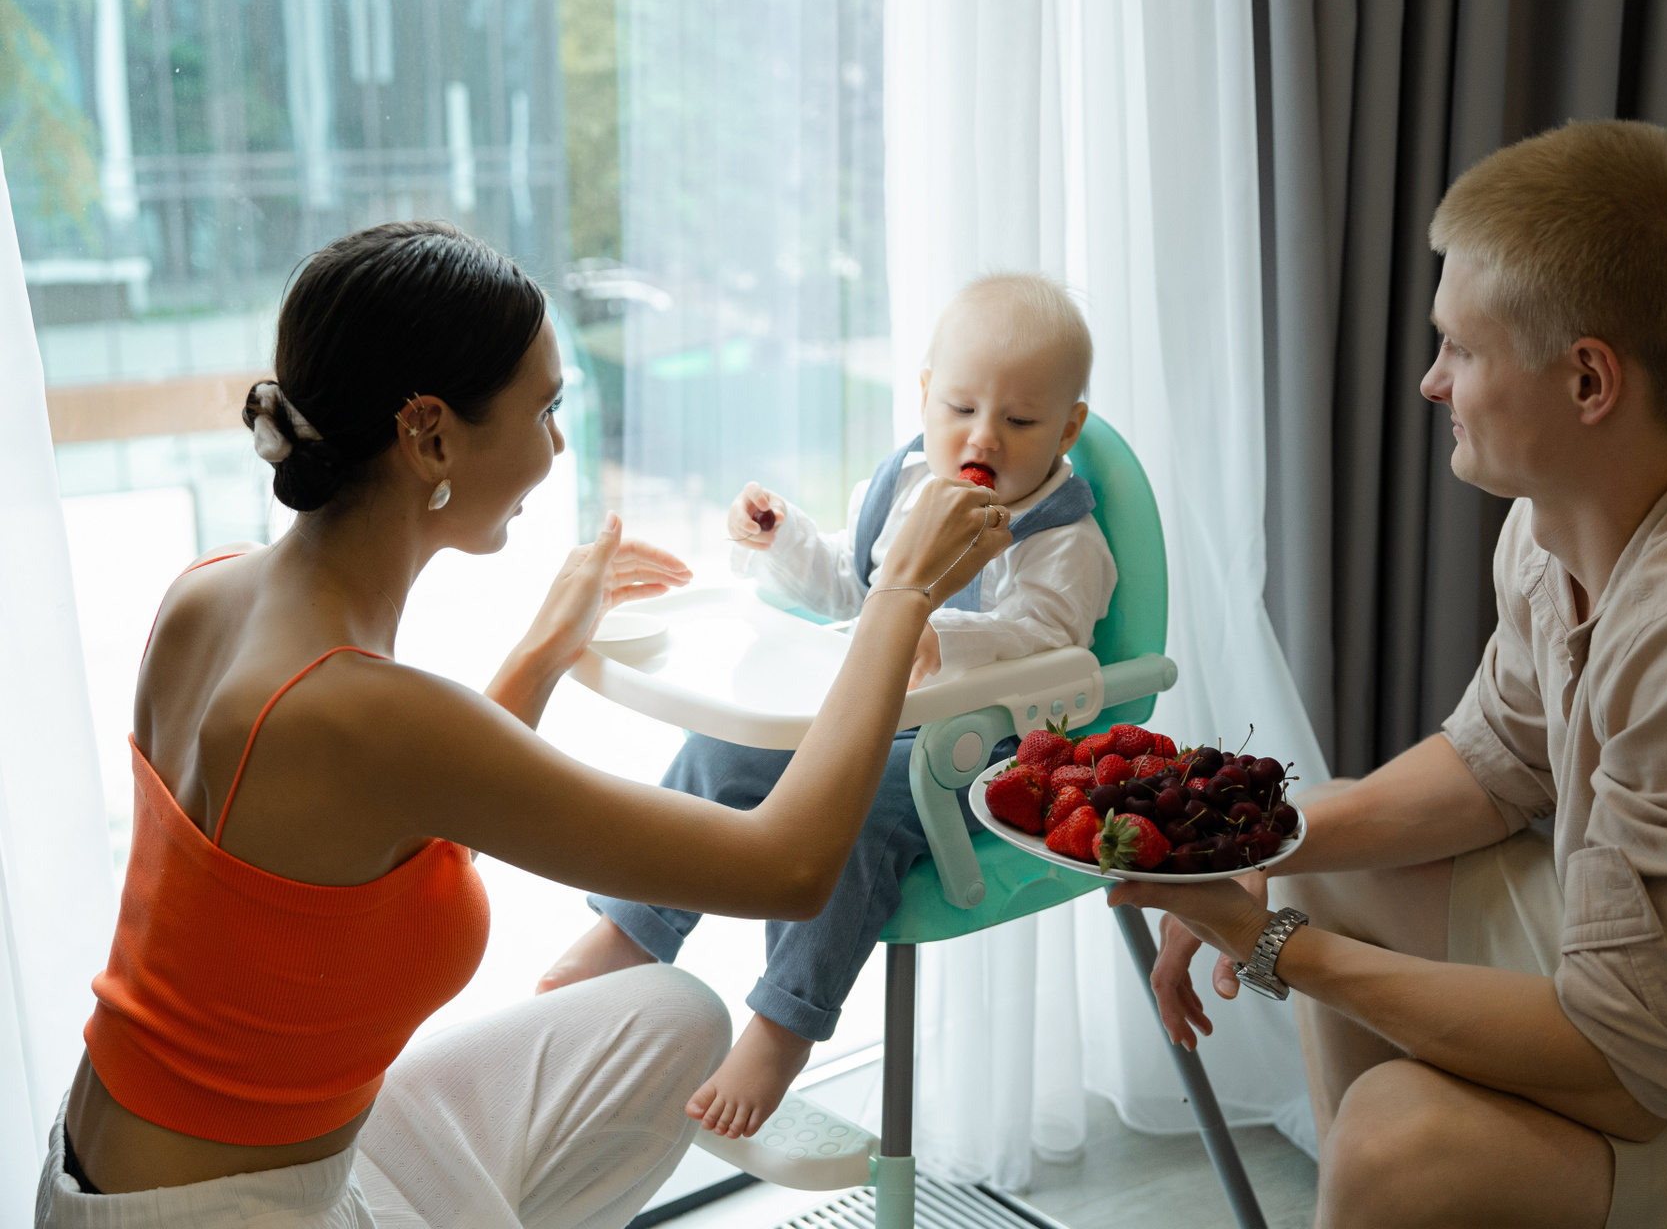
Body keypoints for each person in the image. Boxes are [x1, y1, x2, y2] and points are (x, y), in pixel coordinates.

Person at [39, 221, 1010, 1229]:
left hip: (133, 1168)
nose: (557, 445)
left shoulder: (206, 595)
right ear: (430, 435)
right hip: (224, 1214)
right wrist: (901, 595)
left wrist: (545, 649)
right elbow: (789, 866)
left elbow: (380, 819)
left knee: (671, 1018)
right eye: (545, 409)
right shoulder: (361, 713)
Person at [1119, 120, 1667, 1228]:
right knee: (1318, 852)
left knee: (1399, 1140)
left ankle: (1389, 1192)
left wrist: (1269, 948)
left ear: (1588, 379)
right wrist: (1246, 847)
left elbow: (1628, 1068)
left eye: (1461, 347)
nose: (1430, 380)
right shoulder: (1558, 527)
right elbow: (1495, 760)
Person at [539, 272, 1118, 1140]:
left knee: (851, 817)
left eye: (1022, 421)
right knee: (716, 753)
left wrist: (942, 633)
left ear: (1067, 428)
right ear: (925, 394)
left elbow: (1050, 640)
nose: (983, 437)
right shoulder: (907, 484)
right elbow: (849, 588)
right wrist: (785, 541)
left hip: (976, 758)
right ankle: (633, 928)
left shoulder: (1064, 538)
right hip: (863, 722)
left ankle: (783, 1024)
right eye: (961, 407)